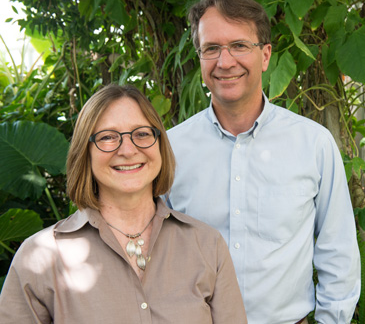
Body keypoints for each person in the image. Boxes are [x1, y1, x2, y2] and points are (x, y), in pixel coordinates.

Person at [165, 0, 361, 323]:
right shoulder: (171, 150)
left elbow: (337, 252)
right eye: (211, 48)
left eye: (240, 45)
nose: (225, 62)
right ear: (199, 57)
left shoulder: (313, 144)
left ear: (266, 55)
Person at [0, 84, 247, 324]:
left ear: (159, 144)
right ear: (84, 152)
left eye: (141, 134)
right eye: (108, 137)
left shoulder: (206, 245)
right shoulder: (40, 258)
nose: (128, 150)